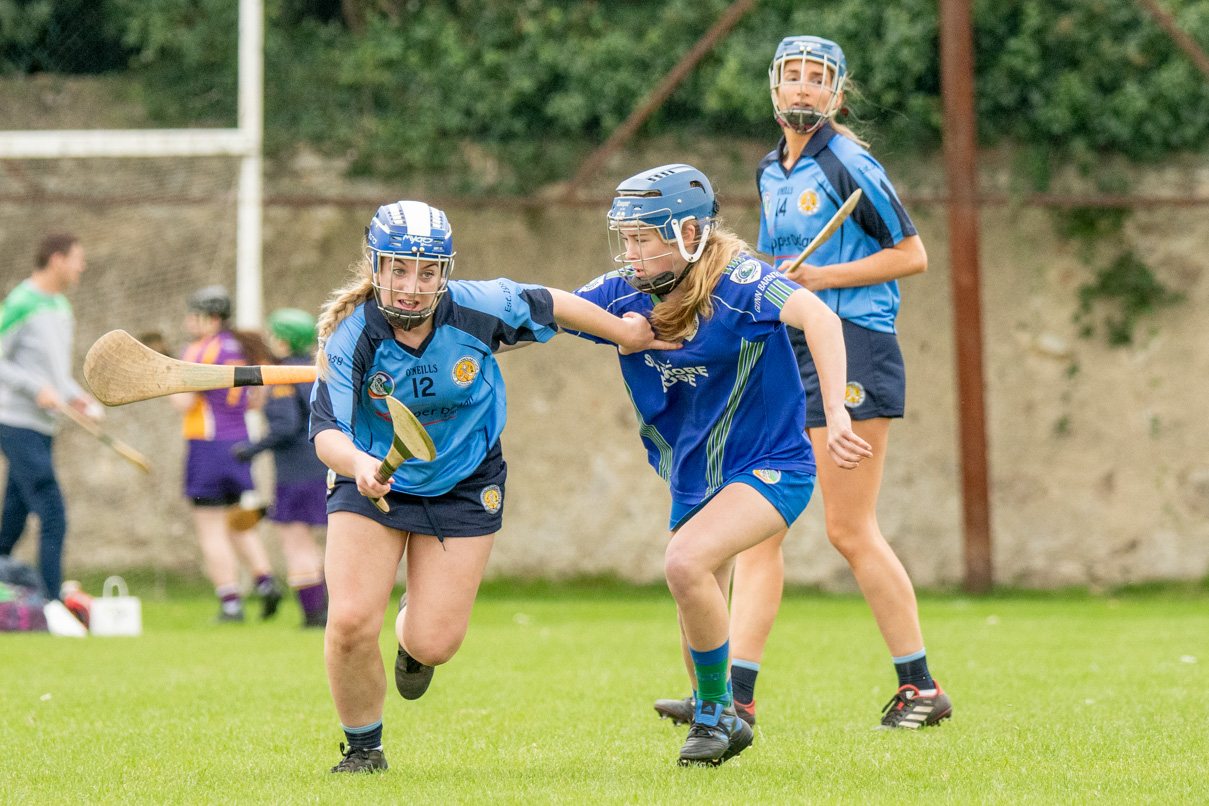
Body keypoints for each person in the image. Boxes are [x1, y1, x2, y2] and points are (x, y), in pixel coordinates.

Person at [311, 200, 679, 774]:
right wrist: (359, 464)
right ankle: (363, 750)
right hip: (372, 478)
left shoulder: (480, 308)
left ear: (445, 271)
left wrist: (623, 335)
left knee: (435, 644)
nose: (412, 286)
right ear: (375, 267)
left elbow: (552, 304)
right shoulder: (350, 340)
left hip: (465, 478)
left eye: (427, 271)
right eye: (399, 269)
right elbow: (327, 433)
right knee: (352, 621)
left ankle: (415, 631)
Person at [654, 35, 949, 731]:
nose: (804, 89)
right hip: (791, 347)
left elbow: (912, 254)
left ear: (837, 96)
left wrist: (820, 278)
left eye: (819, 79)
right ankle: (734, 697)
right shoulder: (769, 170)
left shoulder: (850, 163)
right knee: (760, 530)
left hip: (853, 346)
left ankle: (920, 689)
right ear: (773, 89)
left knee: (848, 528)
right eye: (793, 76)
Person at [569, 164, 872, 766]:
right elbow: (551, 311)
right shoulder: (628, 292)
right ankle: (710, 701)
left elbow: (821, 318)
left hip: (774, 465)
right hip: (694, 472)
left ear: (687, 233)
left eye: (642, 238)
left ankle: (719, 715)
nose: (629, 253)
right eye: (624, 238)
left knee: (684, 563)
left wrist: (835, 412)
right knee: (698, 598)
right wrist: (619, 330)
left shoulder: (745, 280)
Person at [170, 286, 283, 623]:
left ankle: (231, 603)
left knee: (211, 530)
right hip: (239, 446)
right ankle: (265, 582)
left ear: (213, 317)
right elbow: (257, 400)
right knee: (238, 524)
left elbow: (184, 402)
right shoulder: (244, 348)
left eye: (196, 314)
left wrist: (168, 385)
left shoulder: (198, 350)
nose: (190, 320)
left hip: (206, 445)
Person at [0, 233, 100, 600]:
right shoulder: (21, 302)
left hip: (44, 425)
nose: (82, 266)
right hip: (15, 422)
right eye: (77, 258)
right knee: (53, 514)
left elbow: (56, 377)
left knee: (14, 513)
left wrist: (78, 399)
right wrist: (33, 389)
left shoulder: (61, 308)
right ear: (57, 259)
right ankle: (52, 602)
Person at [231, 308, 328, 628]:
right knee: (312, 543)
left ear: (284, 340)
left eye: (275, 335)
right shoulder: (319, 370)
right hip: (322, 464)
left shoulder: (283, 376)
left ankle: (314, 613)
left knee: (295, 542)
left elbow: (286, 425)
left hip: (296, 472)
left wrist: (251, 450)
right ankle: (323, 609)